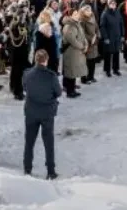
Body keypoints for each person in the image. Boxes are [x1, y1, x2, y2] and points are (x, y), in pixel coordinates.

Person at [22, 49, 62, 179]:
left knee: (29, 142)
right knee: (48, 142)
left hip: (31, 111)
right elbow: (58, 92)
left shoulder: (27, 74)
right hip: (47, 112)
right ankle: (50, 170)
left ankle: (27, 168)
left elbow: (25, 87)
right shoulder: (51, 76)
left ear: (35, 59)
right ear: (46, 60)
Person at [60, 14, 87, 98]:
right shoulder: (68, 26)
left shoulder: (77, 24)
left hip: (76, 52)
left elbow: (82, 36)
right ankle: (69, 91)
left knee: (74, 70)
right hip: (71, 52)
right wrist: (82, 46)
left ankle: (72, 88)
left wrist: (86, 44)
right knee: (70, 71)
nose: (77, 16)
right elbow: (72, 40)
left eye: (77, 14)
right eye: (74, 14)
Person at [98, 0, 123, 76]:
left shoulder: (117, 12)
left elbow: (121, 24)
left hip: (117, 36)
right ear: (108, 4)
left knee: (116, 53)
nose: (113, 4)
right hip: (109, 37)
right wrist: (105, 37)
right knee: (108, 54)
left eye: (114, 3)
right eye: (111, 3)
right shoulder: (105, 14)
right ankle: (107, 70)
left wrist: (122, 35)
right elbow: (102, 27)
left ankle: (116, 69)